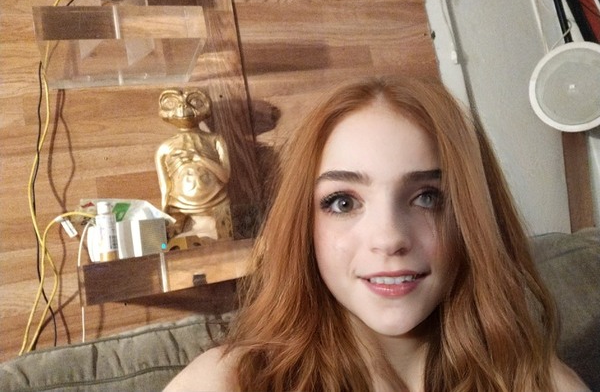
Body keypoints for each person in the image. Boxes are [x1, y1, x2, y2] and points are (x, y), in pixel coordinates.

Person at [165, 77, 588, 391]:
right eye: (343, 203)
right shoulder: (228, 382)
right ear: (302, 226)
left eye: (428, 197)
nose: (389, 239)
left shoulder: (541, 382)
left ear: (474, 218)